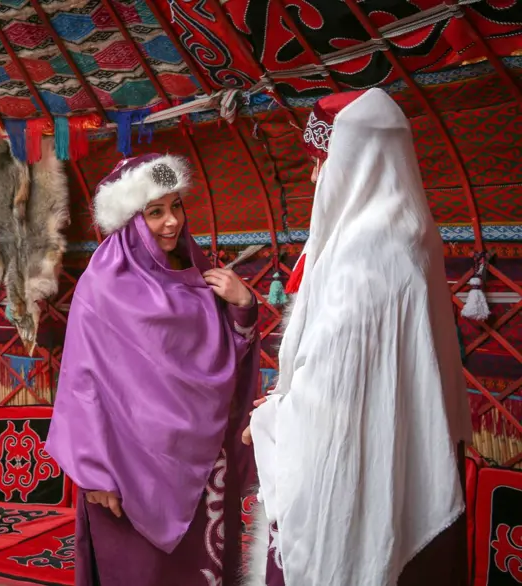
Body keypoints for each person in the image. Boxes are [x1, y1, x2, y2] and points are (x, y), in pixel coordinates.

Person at [242, 88, 471, 586]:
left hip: (352, 476)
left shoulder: (364, 258)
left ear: (355, 160)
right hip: (414, 464)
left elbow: (334, 391)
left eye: (319, 161)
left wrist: (272, 418)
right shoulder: (414, 236)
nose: (312, 175)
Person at [45, 153, 262, 586]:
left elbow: (225, 366)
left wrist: (244, 308)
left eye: (176, 206)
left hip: (200, 464)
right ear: (130, 220)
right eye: (155, 212)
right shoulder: (103, 285)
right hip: (125, 472)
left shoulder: (199, 273)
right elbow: (82, 385)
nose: (172, 223)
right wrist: (93, 472)